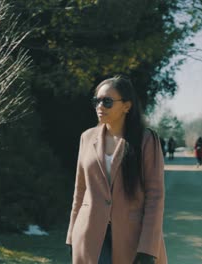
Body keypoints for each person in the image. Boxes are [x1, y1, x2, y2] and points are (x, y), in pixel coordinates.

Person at [66, 76, 167, 264]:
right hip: (90, 235)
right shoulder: (86, 138)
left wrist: (148, 247)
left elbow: (155, 197)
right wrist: (71, 234)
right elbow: (80, 190)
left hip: (132, 237)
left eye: (107, 101)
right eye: (96, 100)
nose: (100, 106)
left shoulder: (146, 140)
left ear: (126, 106)